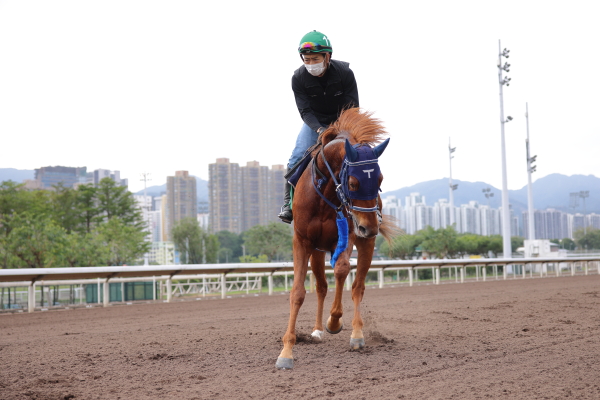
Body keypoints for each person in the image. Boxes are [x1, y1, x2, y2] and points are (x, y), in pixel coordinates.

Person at [278, 30, 359, 224]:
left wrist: (342, 129)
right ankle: (288, 204)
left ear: (327, 56)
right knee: (296, 156)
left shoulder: (345, 73)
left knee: (362, 155)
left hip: (343, 121)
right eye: (306, 60)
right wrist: (320, 130)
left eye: (315, 59)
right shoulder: (298, 78)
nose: (311, 64)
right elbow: (305, 112)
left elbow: (353, 106)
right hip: (315, 123)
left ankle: (370, 205)